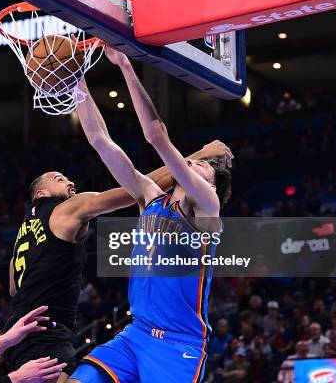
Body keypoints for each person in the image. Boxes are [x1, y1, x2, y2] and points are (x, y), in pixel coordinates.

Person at [68, 46, 232, 383]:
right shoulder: (150, 197)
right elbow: (100, 140)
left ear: (212, 186)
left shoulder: (207, 207)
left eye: (204, 165)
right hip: (135, 335)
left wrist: (126, 67)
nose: (195, 162)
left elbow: (156, 135)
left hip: (177, 345)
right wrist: (75, 79)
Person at [6, 147, 231, 382]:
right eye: (59, 179)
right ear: (41, 194)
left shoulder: (23, 234)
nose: (70, 182)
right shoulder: (67, 208)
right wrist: (196, 157)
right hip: (46, 328)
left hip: (16, 330)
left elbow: (14, 287)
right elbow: (127, 193)